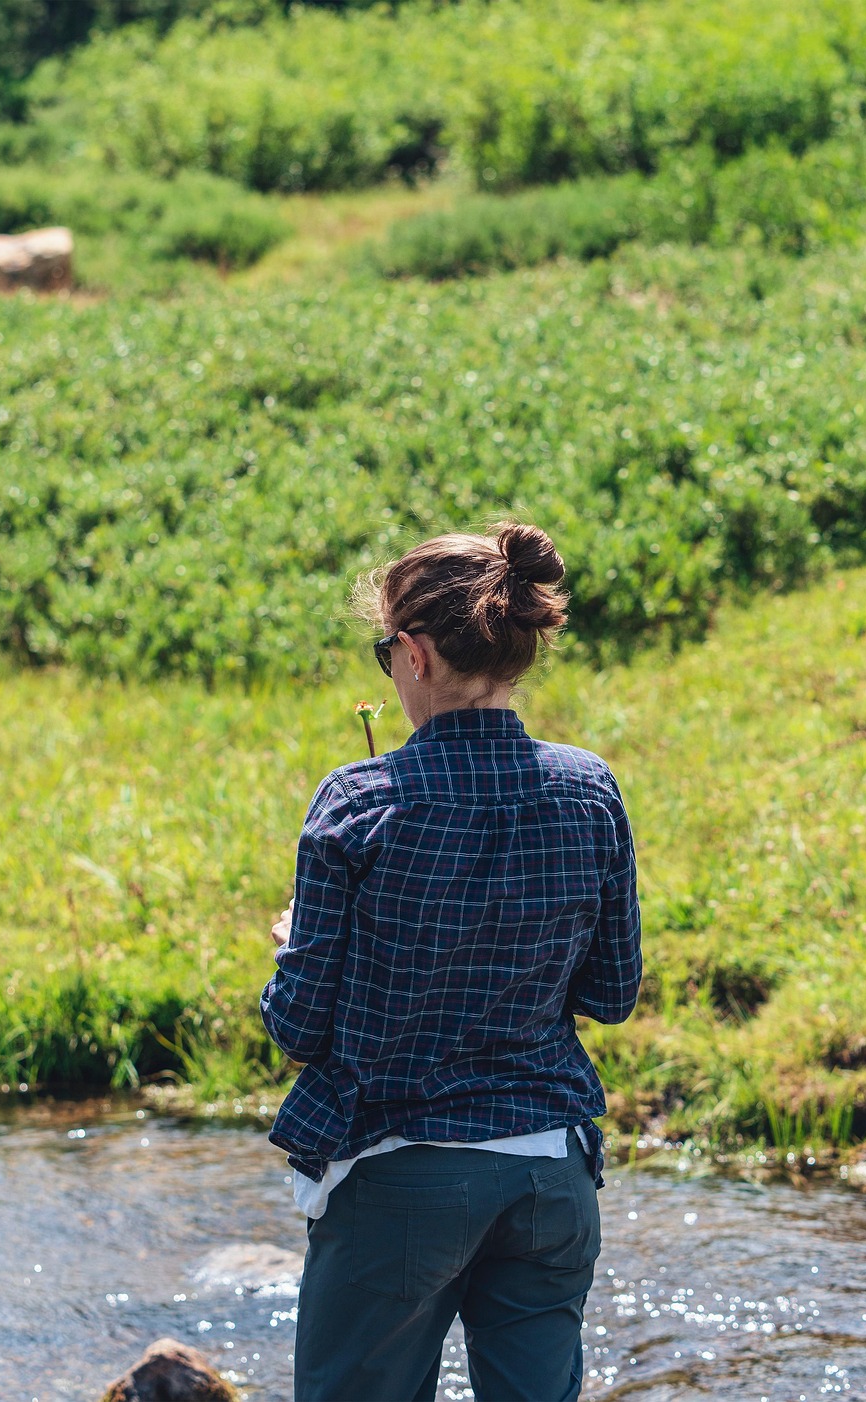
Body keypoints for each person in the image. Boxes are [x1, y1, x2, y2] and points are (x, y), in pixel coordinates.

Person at [261, 523, 643, 1402]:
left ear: (416, 654)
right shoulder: (590, 789)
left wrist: (296, 952)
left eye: (383, 651)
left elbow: (299, 1026)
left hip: (396, 1179)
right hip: (550, 1177)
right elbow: (612, 994)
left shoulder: (356, 801)